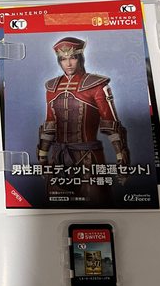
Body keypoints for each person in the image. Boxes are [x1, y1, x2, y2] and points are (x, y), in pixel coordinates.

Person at [37, 37, 130, 201]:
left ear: (80, 58)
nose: (68, 63)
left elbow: (111, 125)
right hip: (58, 159)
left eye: (73, 57)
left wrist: (122, 160)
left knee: (97, 204)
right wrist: (43, 158)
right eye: (63, 59)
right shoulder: (52, 87)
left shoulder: (96, 85)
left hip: (89, 158)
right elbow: (50, 124)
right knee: (57, 206)